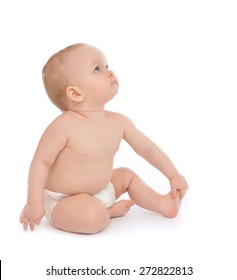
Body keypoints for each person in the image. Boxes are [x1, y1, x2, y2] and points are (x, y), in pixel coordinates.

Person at [20, 43, 188, 234]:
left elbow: (147, 149)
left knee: (126, 176)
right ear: (75, 93)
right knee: (94, 217)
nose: (110, 72)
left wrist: (173, 175)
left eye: (107, 66)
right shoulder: (63, 126)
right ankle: (107, 213)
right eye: (97, 69)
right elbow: (41, 162)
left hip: (102, 189)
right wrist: (34, 202)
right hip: (63, 201)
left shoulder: (119, 122)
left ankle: (163, 204)